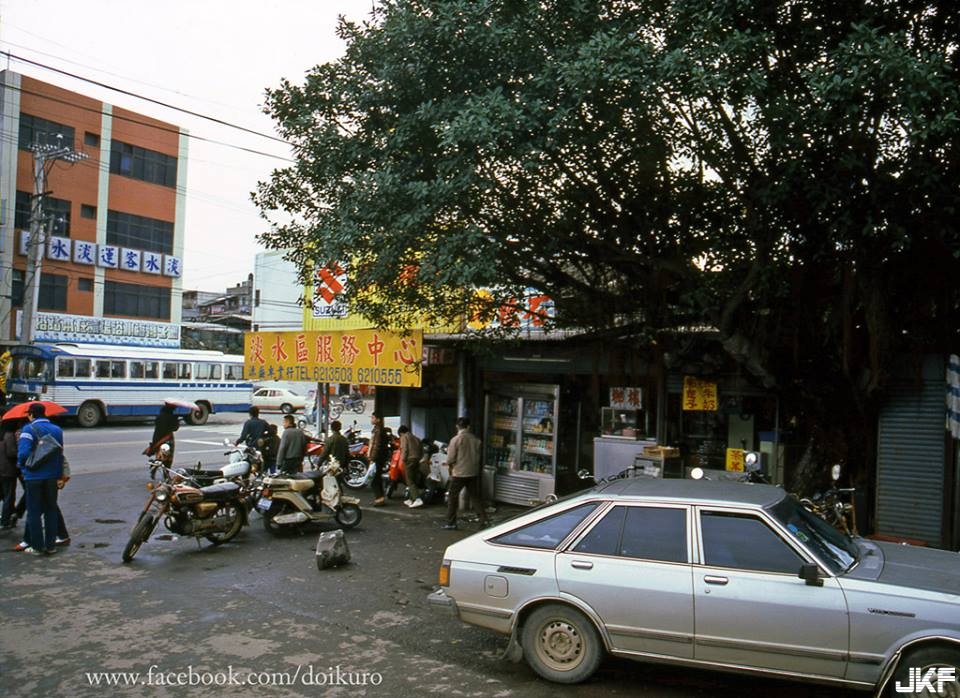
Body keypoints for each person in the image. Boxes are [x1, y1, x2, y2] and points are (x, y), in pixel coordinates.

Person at [17, 402, 65, 555]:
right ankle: (50, 546)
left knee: (34, 511)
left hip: (34, 476)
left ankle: (37, 546)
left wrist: (23, 466)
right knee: (51, 509)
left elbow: (23, 453)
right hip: (52, 476)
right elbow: (59, 453)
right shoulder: (57, 430)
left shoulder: (28, 429)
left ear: (31, 414)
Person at [442, 417, 488, 530]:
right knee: (475, 496)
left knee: (452, 497)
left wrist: (447, 463)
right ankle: (483, 520)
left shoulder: (456, 440)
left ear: (457, 426)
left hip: (459, 473)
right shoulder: (476, 440)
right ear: (468, 426)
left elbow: (451, 458)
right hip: (473, 472)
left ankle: (451, 522)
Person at [398, 425, 424, 508]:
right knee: (414, 479)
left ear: (401, 433)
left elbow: (405, 449)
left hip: (409, 459)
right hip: (417, 459)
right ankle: (411, 499)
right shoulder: (416, 438)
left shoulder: (404, 437)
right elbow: (421, 450)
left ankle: (417, 499)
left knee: (410, 480)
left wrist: (403, 459)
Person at [0, 419, 19, 528]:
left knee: (4, 494)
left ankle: (9, 515)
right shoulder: (9, 435)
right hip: (8, 470)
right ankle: (5, 520)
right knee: (9, 496)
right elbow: (11, 453)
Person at [368, 411, 387, 506]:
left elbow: (376, 446)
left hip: (377, 458)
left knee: (374, 479)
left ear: (378, 419)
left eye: (373, 417)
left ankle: (379, 498)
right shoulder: (378, 429)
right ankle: (381, 498)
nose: (371, 419)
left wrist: (372, 458)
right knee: (377, 478)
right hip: (380, 458)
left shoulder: (378, 431)